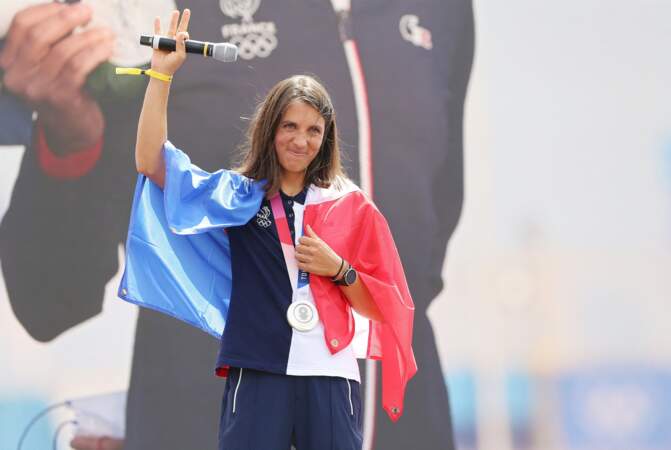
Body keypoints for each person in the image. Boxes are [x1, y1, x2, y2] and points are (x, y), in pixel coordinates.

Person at [0, 1, 473, 448]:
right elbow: (50, 300)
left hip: (408, 422)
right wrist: (67, 130)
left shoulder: (444, 11)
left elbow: (422, 254)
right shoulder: (151, 13)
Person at [118, 9, 415, 449]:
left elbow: (385, 307)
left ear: (327, 138)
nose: (301, 140)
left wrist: (340, 270)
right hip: (257, 372)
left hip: (330, 376)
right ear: (269, 130)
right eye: (289, 126)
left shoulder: (351, 206)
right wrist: (161, 77)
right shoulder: (239, 195)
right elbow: (151, 162)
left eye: (314, 130)